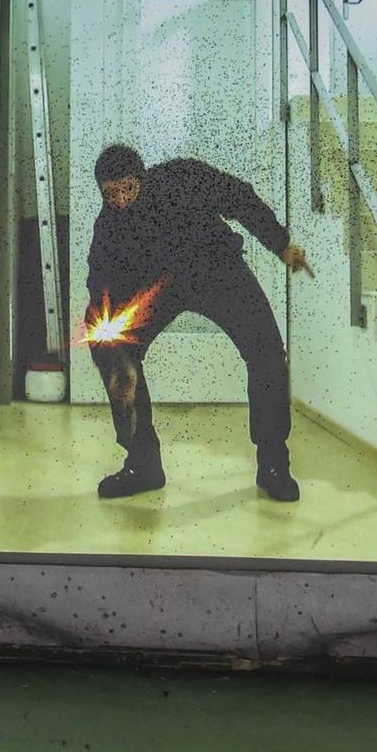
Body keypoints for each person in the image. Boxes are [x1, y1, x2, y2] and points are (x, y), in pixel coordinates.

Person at [85, 144, 313, 503]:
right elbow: (99, 281)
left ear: (142, 179)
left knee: (267, 353)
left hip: (217, 270)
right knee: (105, 343)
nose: (122, 200)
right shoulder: (108, 226)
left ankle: (274, 466)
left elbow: (239, 198)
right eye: (111, 194)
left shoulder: (182, 176)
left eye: (128, 188)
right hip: (158, 289)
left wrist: (280, 243)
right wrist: (117, 359)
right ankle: (143, 464)